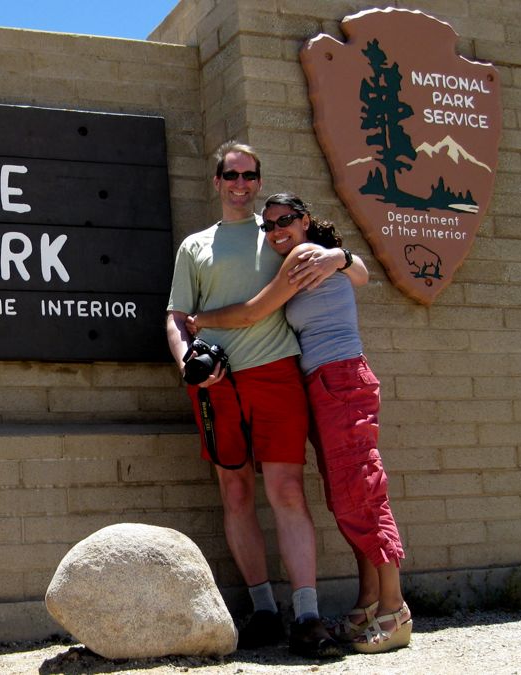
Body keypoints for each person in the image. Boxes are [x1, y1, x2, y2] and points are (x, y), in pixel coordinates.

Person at [185, 192, 411, 654]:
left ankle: (395, 608)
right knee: (345, 493)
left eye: (284, 220)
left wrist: (198, 320)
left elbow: (252, 313)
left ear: (305, 221)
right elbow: (359, 273)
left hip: (341, 379)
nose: (275, 231)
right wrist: (344, 257)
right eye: (267, 226)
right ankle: (368, 601)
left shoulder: (306, 256)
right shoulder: (315, 256)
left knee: (362, 492)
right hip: (323, 384)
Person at [165, 142, 344, 659]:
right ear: (217, 181)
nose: (240, 183)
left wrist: (341, 257)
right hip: (218, 384)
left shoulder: (282, 238)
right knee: (236, 493)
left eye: (250, 175)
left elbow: (338, 261)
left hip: (276, 376)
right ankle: (264, 609)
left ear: (259, 181)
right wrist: (187, 366)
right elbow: (178, 317)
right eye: (231, 174)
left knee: (287, 491)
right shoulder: (194, 247)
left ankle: (308, 616)